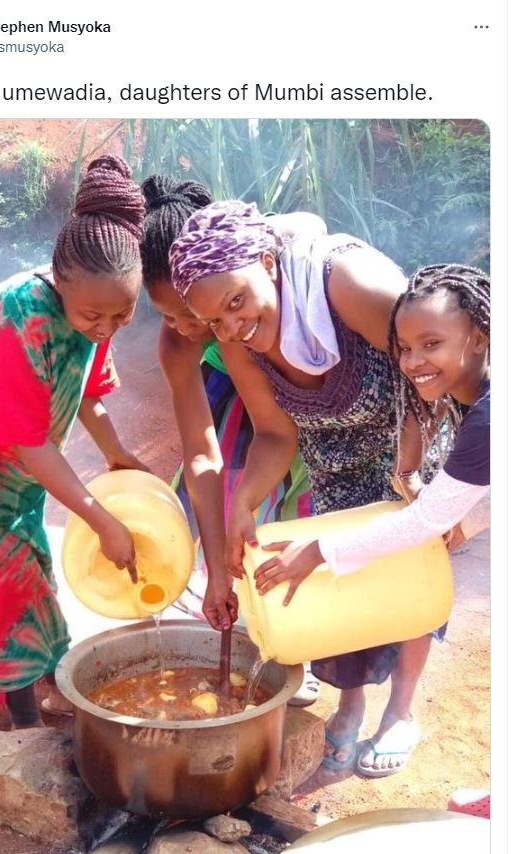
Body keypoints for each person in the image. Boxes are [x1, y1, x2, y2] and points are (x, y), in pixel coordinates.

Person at [169, 200, 432, 776]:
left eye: (236, 302)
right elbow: (274, 433)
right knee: (342, 584)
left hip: (409, 441)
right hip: (334, 464)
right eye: (216, 321)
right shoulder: (238, 341)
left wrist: (411, 470)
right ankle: (352, 701)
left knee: (409, 577)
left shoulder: (348, 283)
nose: (232, 327)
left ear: (265, 260)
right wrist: (243, 503)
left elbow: (429, 368)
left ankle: (402, 711)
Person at [0, 155, 148, 729]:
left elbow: (92, 394)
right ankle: (25, 725)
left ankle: (45, 679)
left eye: (123, 315)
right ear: (61, 285)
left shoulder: (95, 306)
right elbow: (31, 445)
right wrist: (102, 520)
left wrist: (117, 454)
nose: (105, 328)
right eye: (94, 316)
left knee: (29, 566)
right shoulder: (20, 315)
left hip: (10, 465)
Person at [252, 263, 490, 775]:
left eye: (432, 343)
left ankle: (402, 719)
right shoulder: (471, 399)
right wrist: (453, 514)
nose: (413, 361)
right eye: (404, 348)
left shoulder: (493, 412)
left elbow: (425, 522)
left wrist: (318, 550)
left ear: (478, 335)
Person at [141, 175, 324, 704]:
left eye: (189, 310)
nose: (186, 325)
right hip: (241, 403)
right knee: (227, 510)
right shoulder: (180, 341)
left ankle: (295, 648)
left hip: (296, 404)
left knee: (287, 520)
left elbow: (279, 430)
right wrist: (217, 565)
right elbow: (202, 454)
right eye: (168, 314)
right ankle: (242, 615)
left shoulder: (246, 299)